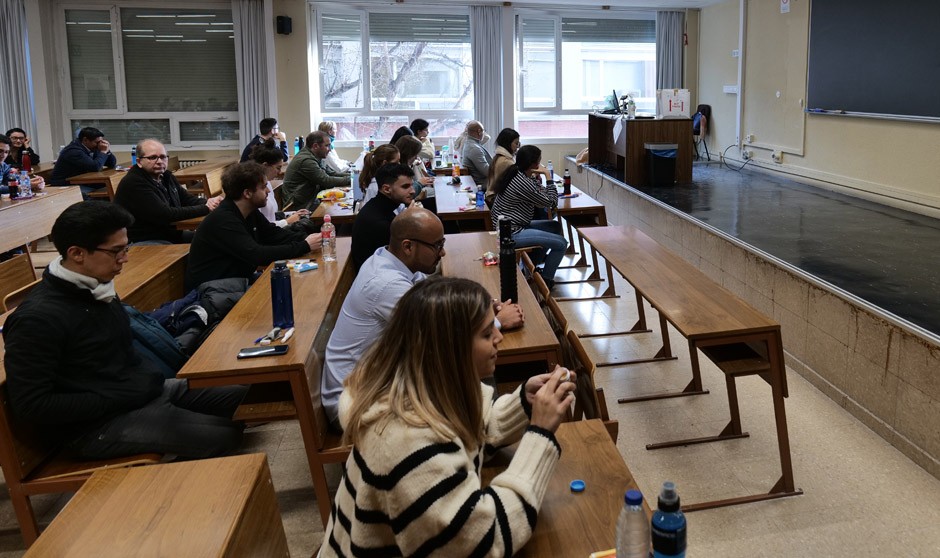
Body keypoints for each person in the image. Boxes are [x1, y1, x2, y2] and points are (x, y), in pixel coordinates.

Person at [321, 276, 575, 557]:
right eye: (486, 333)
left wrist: (524, 402)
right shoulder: (407, 441)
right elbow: (481, 543)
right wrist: (540, 434)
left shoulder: (423, 391)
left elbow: (472, 431)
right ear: (451, 349)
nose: (499, 337)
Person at [2, 201, 247, 460]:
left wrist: (137, 386)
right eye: (116, 251)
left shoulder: (96, 287)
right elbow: (32, 405)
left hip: (137, 393)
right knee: (224, 435)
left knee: (249, 398)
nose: (125, 258)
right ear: (77, 253)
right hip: (93, 426)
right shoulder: (37, 319)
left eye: (125, 248)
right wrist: (122, 395)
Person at [322, 208, 524, 426]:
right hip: (354, 402)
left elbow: (432, 302)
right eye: (437, 245)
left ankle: (483, 424)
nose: (442, 252)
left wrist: (477, 310)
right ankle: (485, 430)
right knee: (470, 359)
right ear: (408, 246)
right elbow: (441, 336)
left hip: (375, 379)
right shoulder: (387, 284)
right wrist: (497, 323)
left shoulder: (389, 260)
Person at [186, 162, 320, 289]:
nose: (268, 191)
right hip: (213, 291)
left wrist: (310, 238)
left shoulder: (249, 211)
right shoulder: (223, 220)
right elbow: (257, 254)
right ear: (247, 193)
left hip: (236, 282)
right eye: (263, 187)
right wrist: (304, 245)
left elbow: (274, 235)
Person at [114, 139, 221, 244]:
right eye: (153, 157)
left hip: (168, 233)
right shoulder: (134, 182)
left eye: (163, 157)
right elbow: (165, 215)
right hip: (143, 239)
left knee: (215, 238)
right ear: (139, 162)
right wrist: (206, 208)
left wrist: (212, 203)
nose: (160, 161)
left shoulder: (166, 176)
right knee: (198, 247)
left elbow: (187, 199)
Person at [490, 144, 568, 288]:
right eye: (539, 161)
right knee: (562, 244)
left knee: (555, 227)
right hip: (510, 232)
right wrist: (548, 176)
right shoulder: (522, 182)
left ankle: (532, 266)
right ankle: (545, 281)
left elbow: (539, 192)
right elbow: (551, 202)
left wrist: (538, 180)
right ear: (534, 164)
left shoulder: (516, 172)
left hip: (512, 224)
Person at [350, 163, 414, 271]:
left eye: (412, 185)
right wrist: (409, 220)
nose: (412, 191)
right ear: (386, 189)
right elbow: (404, 257)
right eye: (405, 187)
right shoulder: (379, 222)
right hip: (377, 275)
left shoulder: (378, 205)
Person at [248, 138, 315, 231]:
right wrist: (287, 221)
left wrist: (293, 213)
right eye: (278, 168)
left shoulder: (267, 183)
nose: (280, 172)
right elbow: (262, 227)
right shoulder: (255, 190)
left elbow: (272, 215)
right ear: (265, 166)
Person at [280, 131, 350, 211]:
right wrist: (351, 179)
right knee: (340, 209)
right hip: (300, 206)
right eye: (327, 146)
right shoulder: (306, 160)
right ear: (315, 146)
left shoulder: (316, 156)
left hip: (309, 200)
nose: (330, 149)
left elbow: (332, 173)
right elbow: (326, 180)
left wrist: (352, 176)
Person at [50, 127, 118, 193]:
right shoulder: (73, 151)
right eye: (97, 142)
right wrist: (103, 151)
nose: (99, 145)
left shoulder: (93, 147)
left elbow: (111, 163)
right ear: (85, 140)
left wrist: (107, 150)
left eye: (101, 142)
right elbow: (95, 167)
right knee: (103, 189)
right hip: (65, 184)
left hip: (83, 180)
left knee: (113, 186)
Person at [485, 127, 521, 206]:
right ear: (508, 143)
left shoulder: (499, 157)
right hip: (497, 199)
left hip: (493, 197)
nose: (518, 146)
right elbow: (518, 183)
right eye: (516, 143)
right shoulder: (506, 162)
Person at [395, 135, 434, 203]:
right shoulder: (398, 170)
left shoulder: (405, 166)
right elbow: (406, 195)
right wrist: (420, 183)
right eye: (414, 155)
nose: (416, 157)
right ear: (408, 154)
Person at [461, 120, 493, 190]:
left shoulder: (470, 143)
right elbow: (487, 172)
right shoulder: (474, 148)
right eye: (483, 130)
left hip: (483, 181)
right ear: (479, 131)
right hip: (483, 184)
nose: (484, 133)